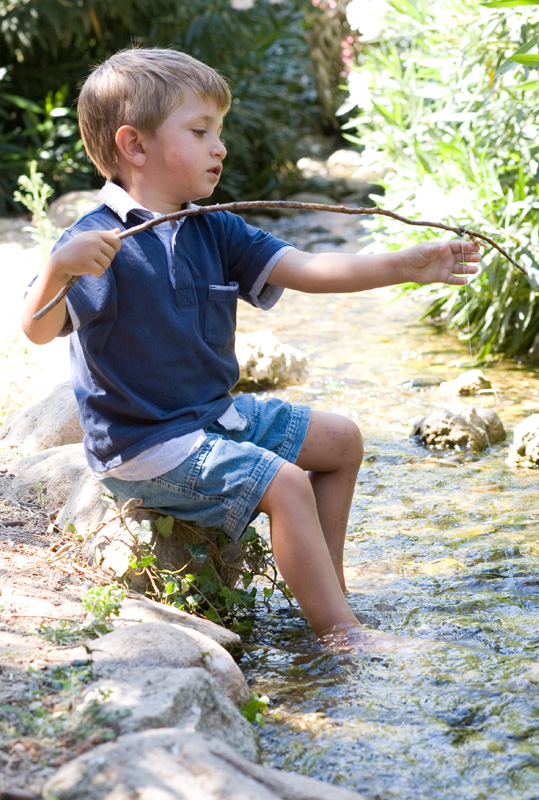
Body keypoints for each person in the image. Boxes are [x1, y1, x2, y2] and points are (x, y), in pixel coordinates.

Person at [21, 48, 480, 647]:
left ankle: (326, 592)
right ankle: (340, 635)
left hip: (213, 419)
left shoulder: (216, 228)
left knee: (341, 440)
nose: (221, 146)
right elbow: (34, 329)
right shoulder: (93, 243)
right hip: (146, 444)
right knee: (286, 483)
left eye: (220, 131)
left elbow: (310, 267)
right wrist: (58, 269)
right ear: (135, 146)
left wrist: (402, 265)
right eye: (201, 130)